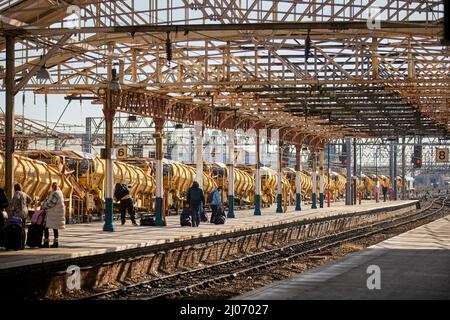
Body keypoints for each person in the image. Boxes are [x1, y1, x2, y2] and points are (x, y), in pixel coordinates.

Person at [41, 182, 65, 248]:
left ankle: (46, 243)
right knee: (55, 228)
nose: (53, 187)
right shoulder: (59, 192)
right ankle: (55, 243)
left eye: (55, 186)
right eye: (53, 186)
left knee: (46, 227)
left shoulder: (56, 193)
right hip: (55, 213)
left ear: (57, 186)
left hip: (53, 213)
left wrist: (43, 206)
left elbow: (51, 203)